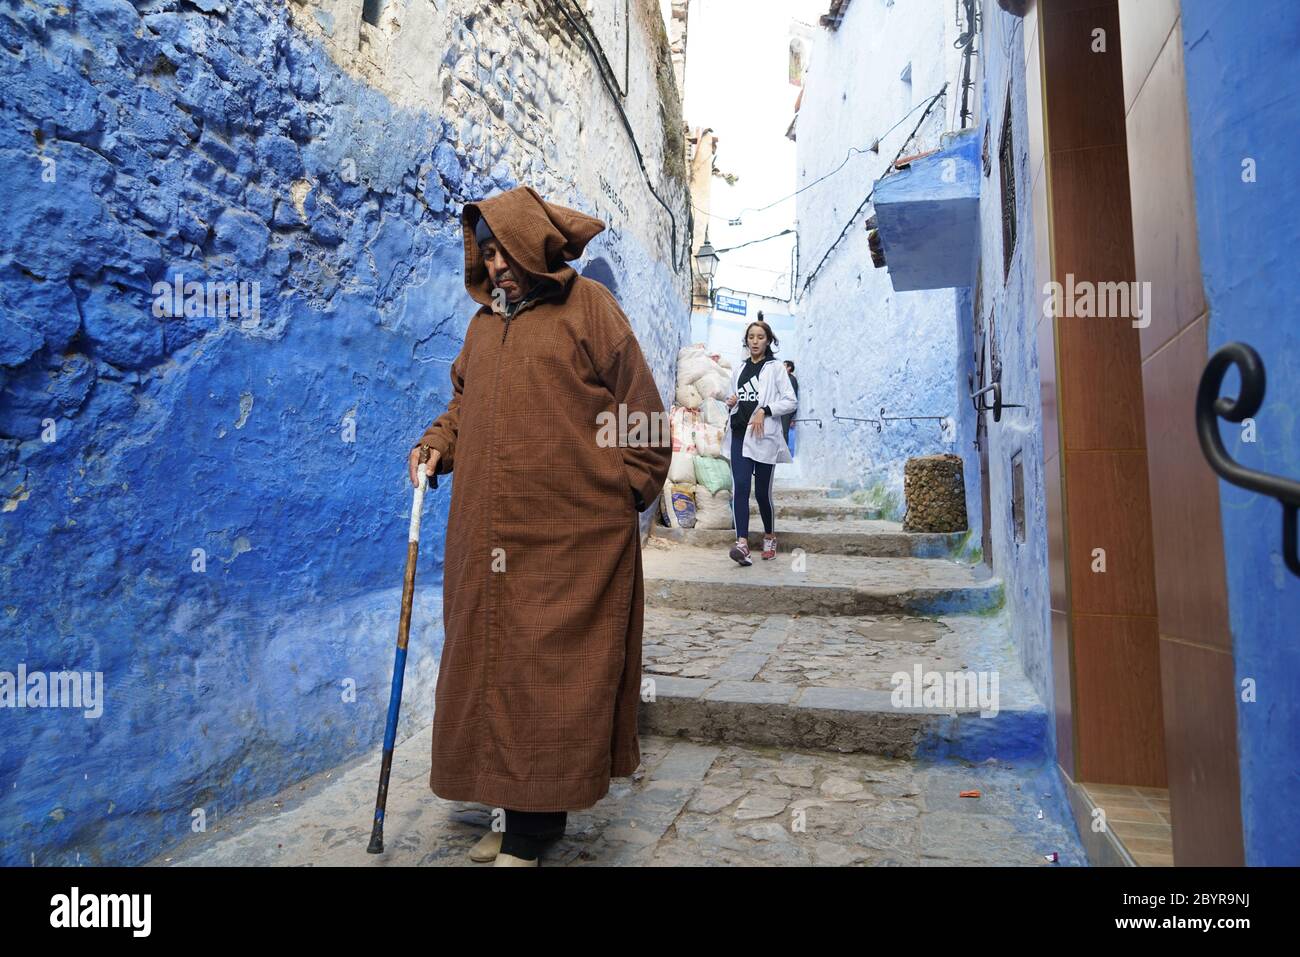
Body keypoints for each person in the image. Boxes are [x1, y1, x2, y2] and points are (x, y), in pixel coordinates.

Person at [407, 186, 672, 866]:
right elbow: (464, 405)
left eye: (504, 250)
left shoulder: (592, 310)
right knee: (490, 670)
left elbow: (643, 420)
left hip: (564, 540)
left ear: (533, 242)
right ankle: (517, 813)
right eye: (485, 254)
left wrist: (618, 493)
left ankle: (530, 829)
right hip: (485, 534)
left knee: (549, 675)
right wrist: (437, 444)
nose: (495, 266)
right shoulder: (482, 327)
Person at [721, 317, 798, 565]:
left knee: (763, 493)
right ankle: (742, 545)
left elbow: (790, 401)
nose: (755, 341)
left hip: (763, 437)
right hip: (739, 434)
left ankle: (769, 535)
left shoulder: (775, 368)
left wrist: (765, 409)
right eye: (751, 337)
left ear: (768, 341)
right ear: (746, 340)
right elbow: (735, 397)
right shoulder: (739, 369)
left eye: (760, 337)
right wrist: (730, 403)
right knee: (741, 488)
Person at [781, 359, 799, 456]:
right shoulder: (784, 379)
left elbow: (793, 397)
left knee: (784, 430)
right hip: (782, 408)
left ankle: (784, 453)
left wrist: (792, 416)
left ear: (789, 368)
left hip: (787, 409)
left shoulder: (791, 379)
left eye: (784, 365)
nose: (782, 367)